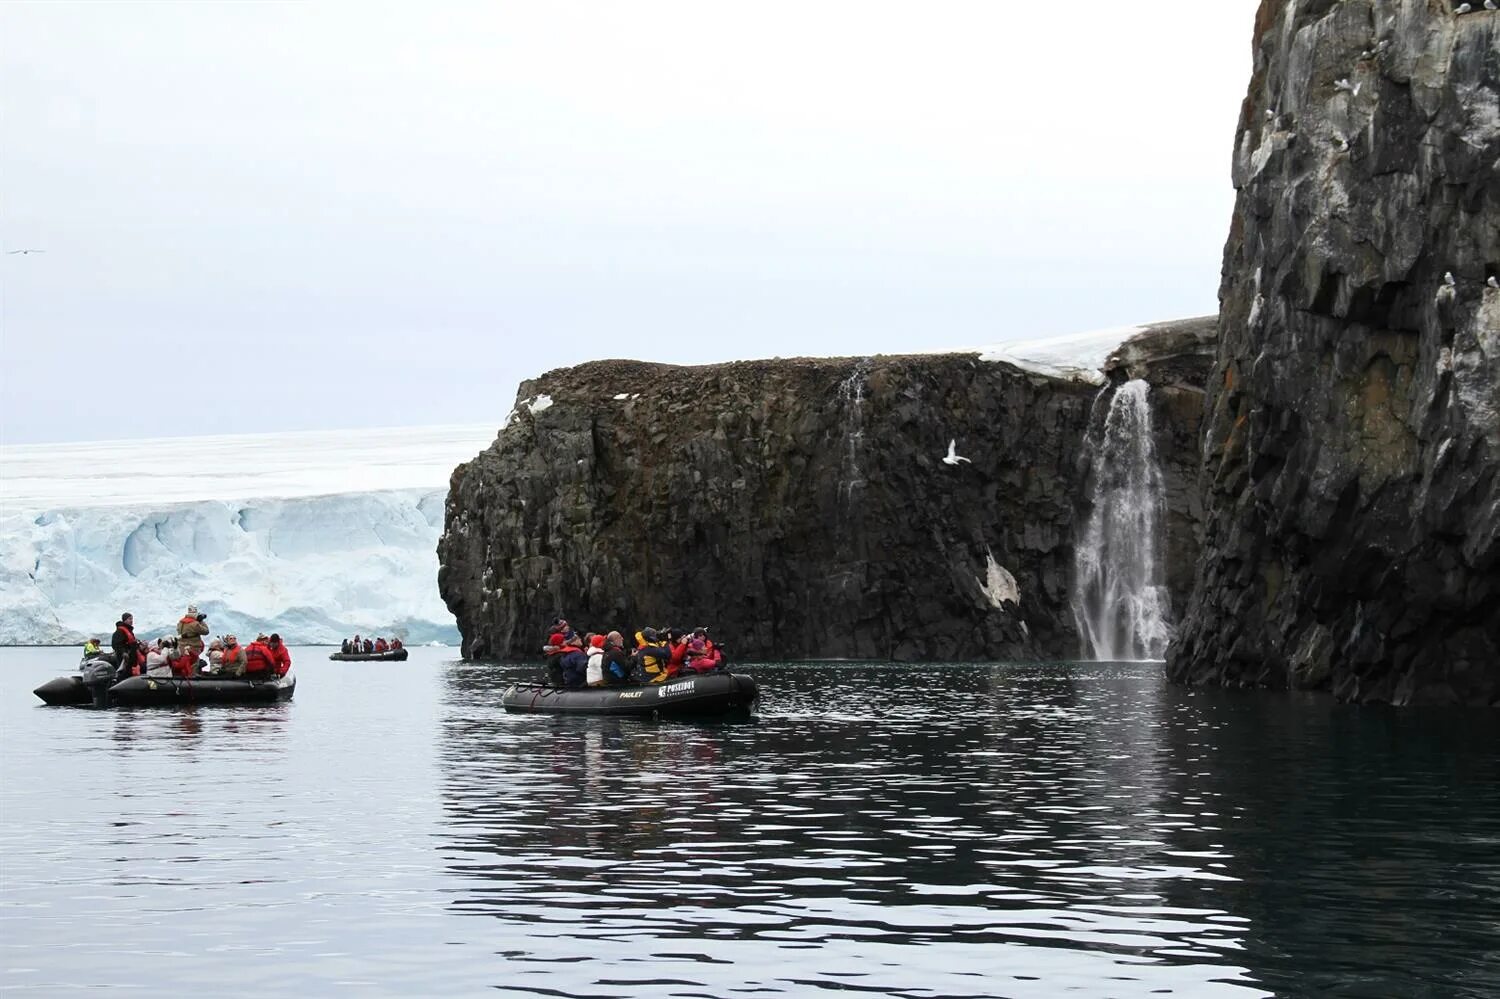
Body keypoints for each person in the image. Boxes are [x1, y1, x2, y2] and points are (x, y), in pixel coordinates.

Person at [111, 612, 140, 680]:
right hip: (124, 659)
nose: (131, 621)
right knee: (124, 674)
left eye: (132, 619)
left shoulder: (129, 631)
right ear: (125, 620)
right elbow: (116, 644)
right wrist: (123, 652)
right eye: (129, 619)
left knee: (130, 674)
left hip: (131, 659)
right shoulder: (120, 631)